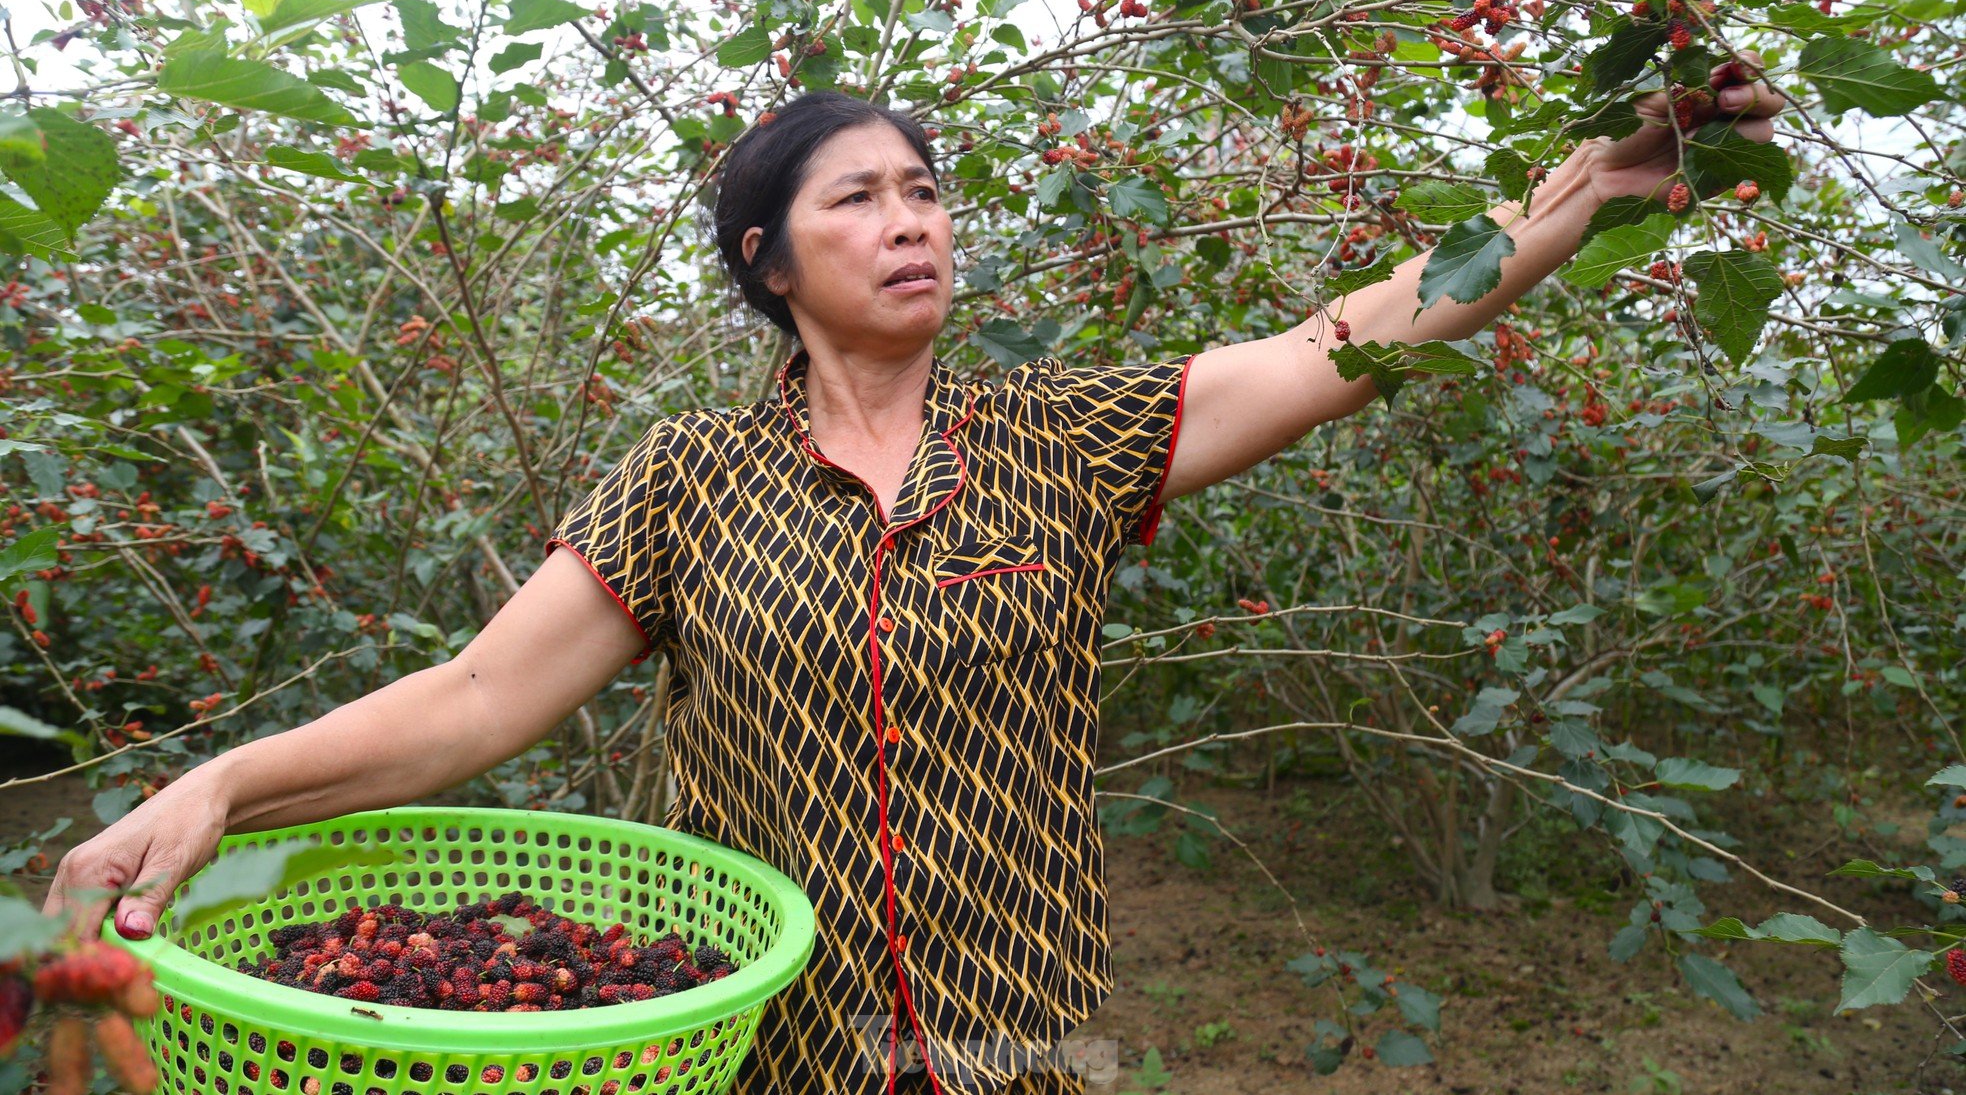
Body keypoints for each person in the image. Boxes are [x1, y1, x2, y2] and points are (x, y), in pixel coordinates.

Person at [47, 71, 1787, 1094]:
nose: (912, 224)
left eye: (927, 195)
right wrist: (222, 780)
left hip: (1015, 1050)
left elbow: (1347, 339)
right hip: (761, 1057)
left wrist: (1569, 206)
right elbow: (478, 701)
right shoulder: (687, 476)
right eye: (856, 200)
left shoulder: (1066, 436)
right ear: (767, 259)